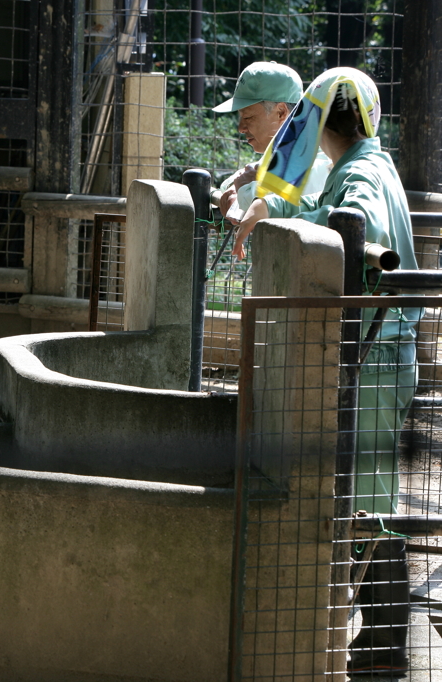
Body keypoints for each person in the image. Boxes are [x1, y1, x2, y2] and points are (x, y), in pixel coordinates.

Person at [234, 67, 418, 677]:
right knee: (367, 493)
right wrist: (275, 208)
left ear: (313, 122)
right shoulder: (371, 159)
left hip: (376, 357)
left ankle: (380, 653)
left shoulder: (361, 171)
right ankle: (374, 646)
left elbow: (353, 224)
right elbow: (333, 211)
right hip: (380, 355)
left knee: (366, 502)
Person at [212, 62, 331, 222]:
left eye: (248, 117)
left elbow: (275, 198)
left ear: (281, 112)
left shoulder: (322, 154)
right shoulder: (290, 149)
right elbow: (235, 181)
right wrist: (239, 186)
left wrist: (244, 189)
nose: (241, 128)